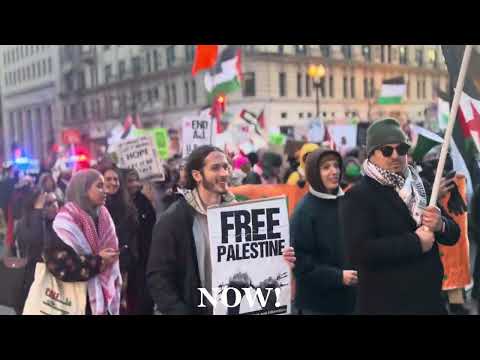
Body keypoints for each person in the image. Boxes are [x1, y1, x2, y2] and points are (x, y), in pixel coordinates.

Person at [340, 118, 460, 314]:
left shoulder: (421, 187)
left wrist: (441, 224)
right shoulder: (358, 196)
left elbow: (453, 234)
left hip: (429, 301)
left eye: (402, 149)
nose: (396, 155)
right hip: (386, 303)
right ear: (371, 154)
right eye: (387, 150)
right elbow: (360, 251)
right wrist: (415, 242)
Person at [147, 145, 237, 315]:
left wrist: (280, 259)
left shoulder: (238, 213)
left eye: (226, 167)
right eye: (215, 168)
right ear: (197, 175)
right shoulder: (172, 220)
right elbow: (158, 278)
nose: (224, 173)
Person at [290, 148, 357, 315]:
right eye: (326, 167)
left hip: (348, 301)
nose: (334, 171)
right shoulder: (304, 212)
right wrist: (338, 277)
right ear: (314, 173)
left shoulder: (346, 202)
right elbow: (301, 266)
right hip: (317, 305)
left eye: (336, 165)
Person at [50, 169, 122, 315]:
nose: (105, 190)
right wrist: (99, 260)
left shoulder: (103, 215)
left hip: (104, 296)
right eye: (99, 186)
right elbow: (60, 266)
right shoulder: (64, 222)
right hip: (75, 301)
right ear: (83, 190)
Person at [14, 189, 60, 314]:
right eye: (48, 203)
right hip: (31, 283)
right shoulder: (25, 223)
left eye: (55, 202)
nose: (55, 206)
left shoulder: (58, 225)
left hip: (53, 287)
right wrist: (38, 211)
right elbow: (37, 243)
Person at [101, 165, 138, 314]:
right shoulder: (96, 206)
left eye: (116, 179)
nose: (112, 182)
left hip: (123, 260)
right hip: (102, 262)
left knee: (119, 299)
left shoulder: (127, 205)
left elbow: (133, 231)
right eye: (108, 179)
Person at [124, 168, 157, 315]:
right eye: (130, 181)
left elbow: (152, 227)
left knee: (144, 299)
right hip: (125, 260)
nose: (134, 184)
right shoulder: (118, 202)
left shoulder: (144, 202)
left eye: (136, 180)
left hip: (144, 257)